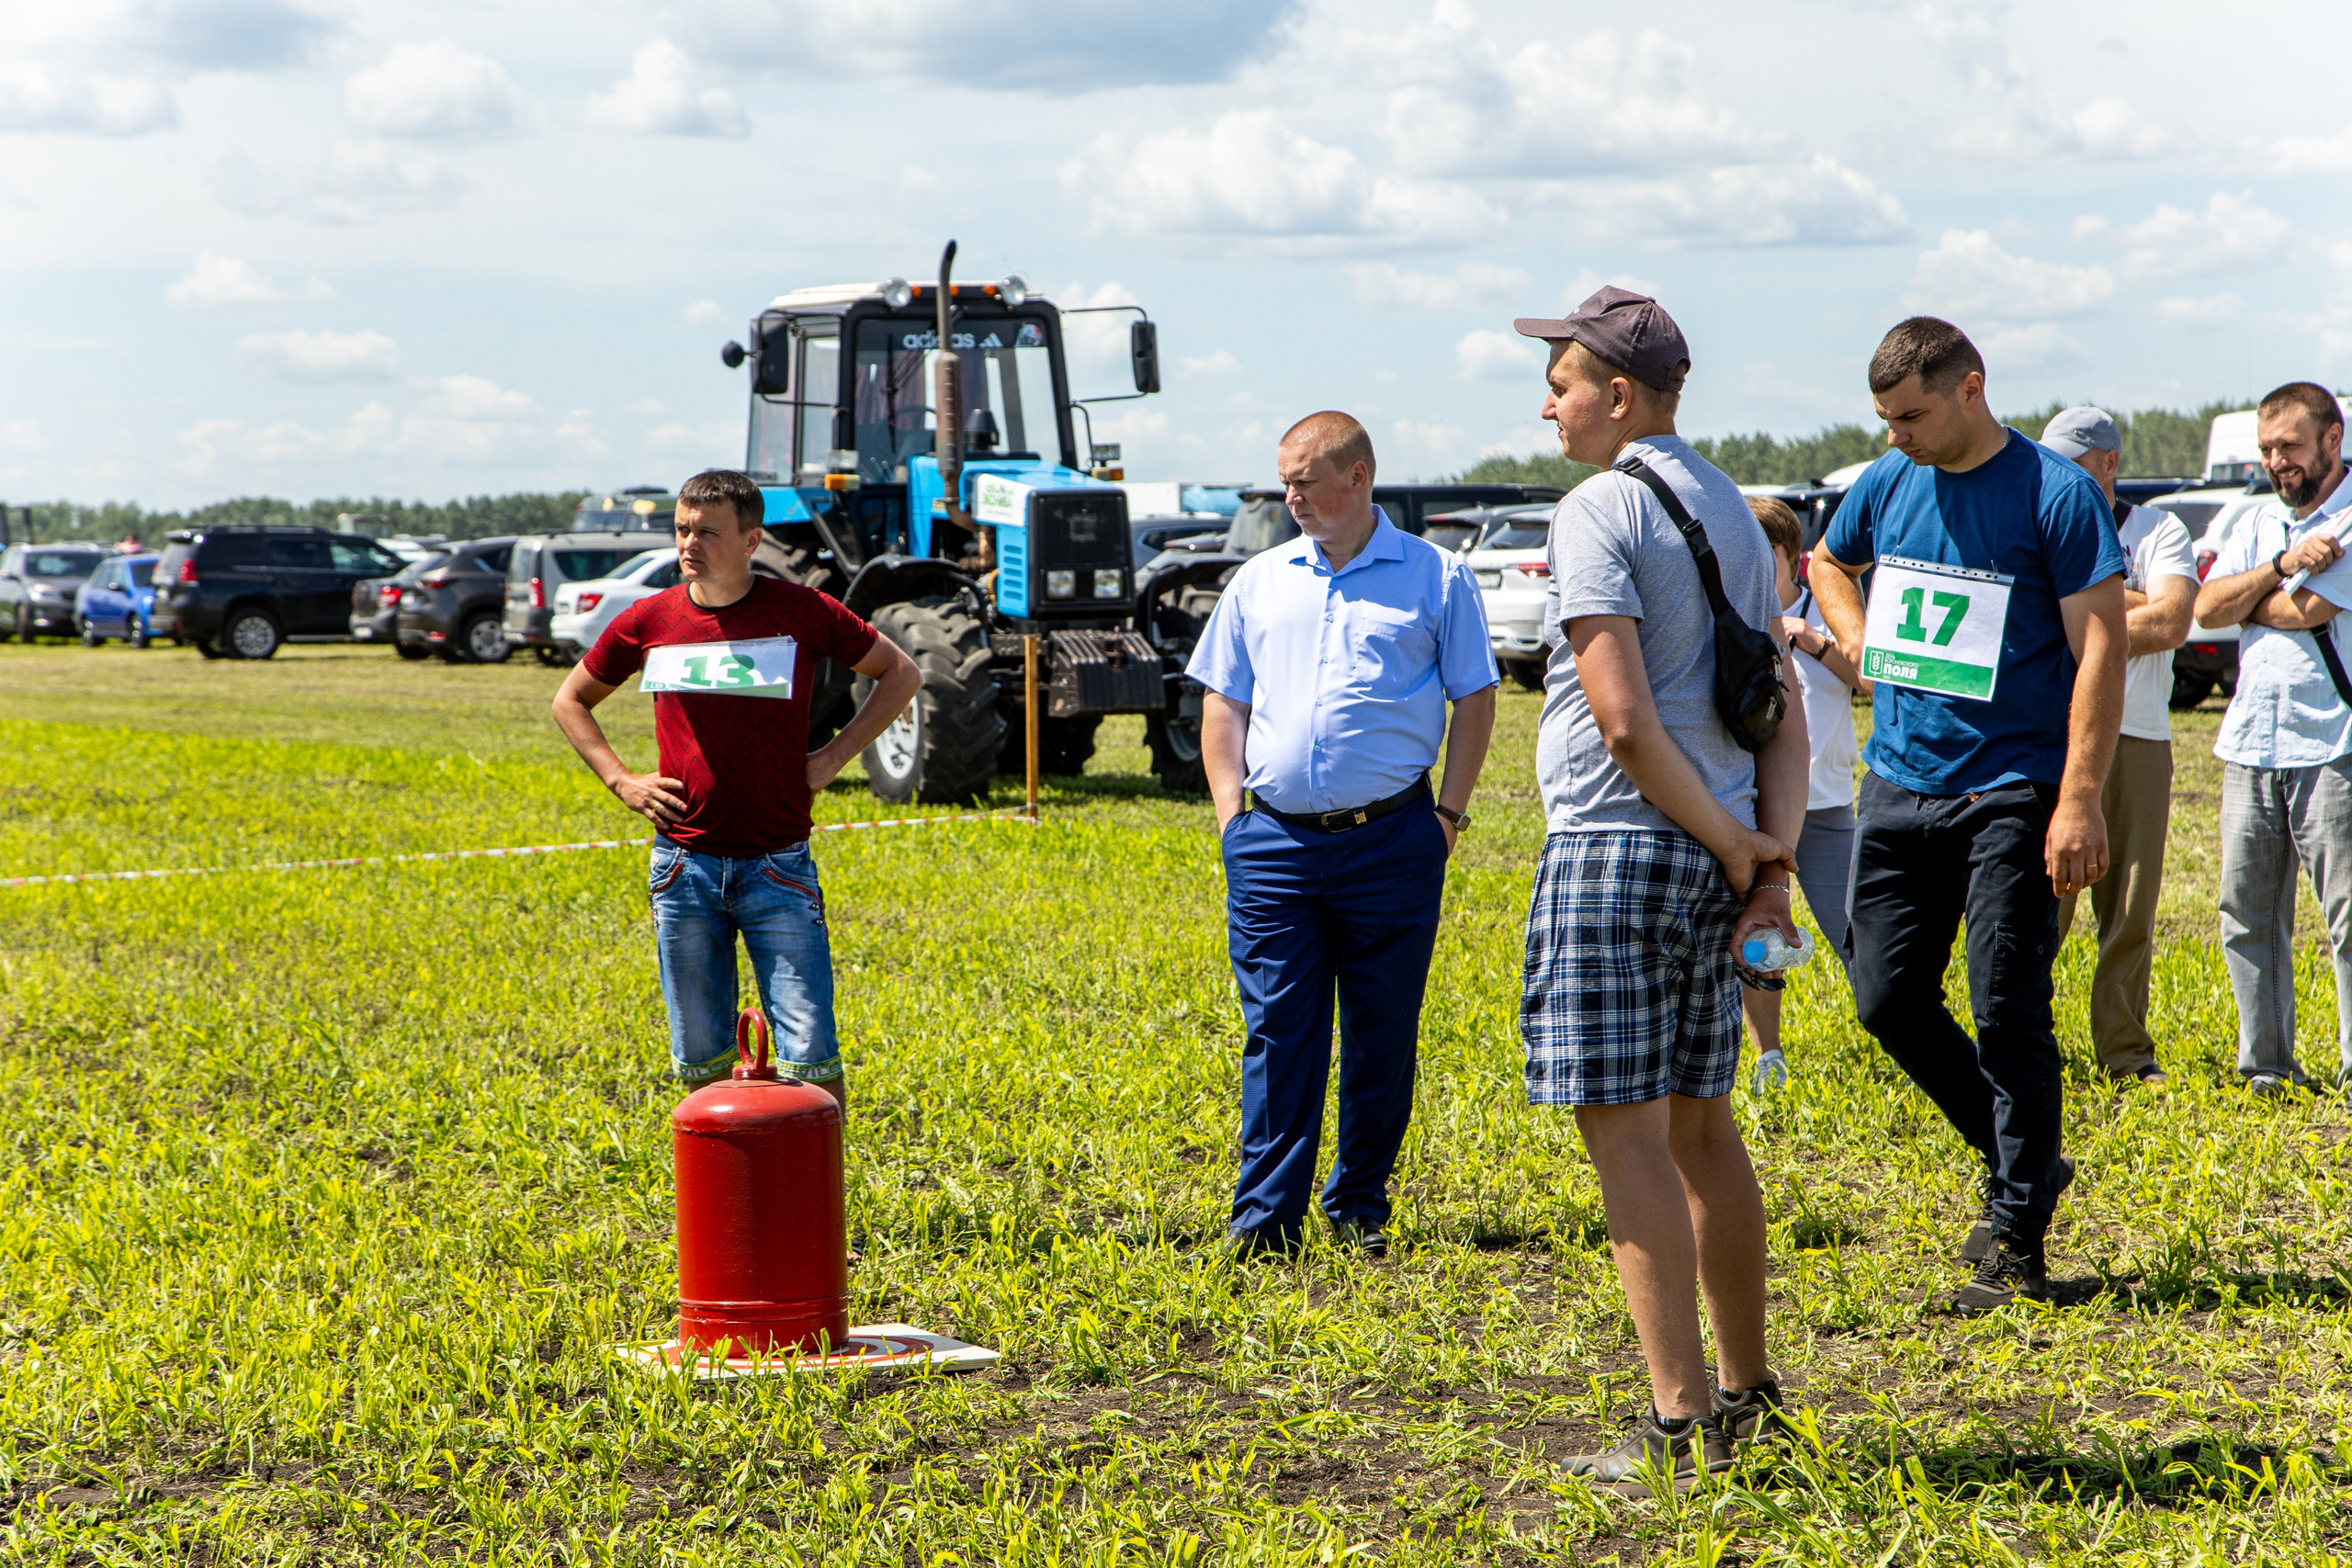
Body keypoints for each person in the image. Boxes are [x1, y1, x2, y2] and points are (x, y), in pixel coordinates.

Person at [1510, 287, 1810, 1492]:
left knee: (1625, 1136)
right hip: (1714, 847)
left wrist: (1744, 850)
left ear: (1619, 395)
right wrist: (1760, 853)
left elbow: (1625, 721)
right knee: (1701, 1124)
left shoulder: (1598, 507)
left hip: (1618, 845)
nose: (1548, 401)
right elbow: (1775, 704)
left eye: (1563, 380)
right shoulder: (1738, 513)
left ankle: (1679, 1428)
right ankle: (1748, 1394)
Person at [1810, 319, 2126, 1314]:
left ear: (1969, 390)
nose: (1895, 435)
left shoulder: (2054, 494)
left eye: (1909, 416)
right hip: (1899, 783)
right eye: (1883, 420)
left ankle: (2018, 1245)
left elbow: (2102, 654)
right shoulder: (1886, 481)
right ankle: (2020, 1157)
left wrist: (2078, 799)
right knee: (1883, 997)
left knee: (2005, 1007)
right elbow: (1826, 562)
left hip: (2015, 791)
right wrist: (1859, 643)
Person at [1188, 411, 1498, 1260]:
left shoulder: (1436, 577)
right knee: (1278, 1029)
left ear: (1357, 478)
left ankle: (1358, 1203)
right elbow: (1224, 699)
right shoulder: (1260, 580)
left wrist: (1449, 817)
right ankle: (1266, 1222)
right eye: (1284, 480)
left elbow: (1475, 696)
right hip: (1274, 844)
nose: (1290, 497)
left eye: (1304, 480)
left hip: (1394, 841)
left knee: (1381, 1030)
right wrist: (1231, 816)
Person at [551, 468, 922, 1101]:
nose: (689, 544)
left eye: (708, 532)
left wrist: (832, 757)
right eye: (682, 529)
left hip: (779, 868)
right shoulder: (650, 619)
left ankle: (813, 1190)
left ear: (752, 540)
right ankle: (723, 1191)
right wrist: (621, 780)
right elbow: (570, 700)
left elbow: (900, 672)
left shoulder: (800, 611)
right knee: (700, 1060)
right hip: (682, 869)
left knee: (811, 1056)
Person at [2189, 382, 2352, 1096]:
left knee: (2347, 916)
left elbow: (2306, 611)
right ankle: (2267, 1065)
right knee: (2245, 910)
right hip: (2251, 737)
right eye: (2265, 449)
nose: (2276, 462)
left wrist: (2257, 598)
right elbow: (2207, 606)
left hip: (2333, 738)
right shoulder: (2256, 523)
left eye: (2289, 446)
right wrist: (2283, 566)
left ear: (2332, 439)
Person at [2041, 407, 2196, 1089]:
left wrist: (2089, 608)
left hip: (2138, 735)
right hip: (2051, 734)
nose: (2055, 477)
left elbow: (2170, 620)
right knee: (2036, 901)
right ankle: (2023, 1043)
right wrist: (2122, 603)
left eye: (2070, 465)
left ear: (2109, 462)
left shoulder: (2159, 528)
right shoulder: (2044, 517)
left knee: (2129, 907)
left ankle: (2125, 1053)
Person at [1739, 495, 1869, 1091]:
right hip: (1751, 808)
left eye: (1761, 550)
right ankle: (1769, 1057)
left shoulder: (1829, 606)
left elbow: (1869, 677)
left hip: (1823, 806)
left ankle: (1896, 1034)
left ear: (1793, 558)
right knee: (1758, 938)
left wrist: (1809, 639)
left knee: (1857, 932)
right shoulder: (1735, 613)